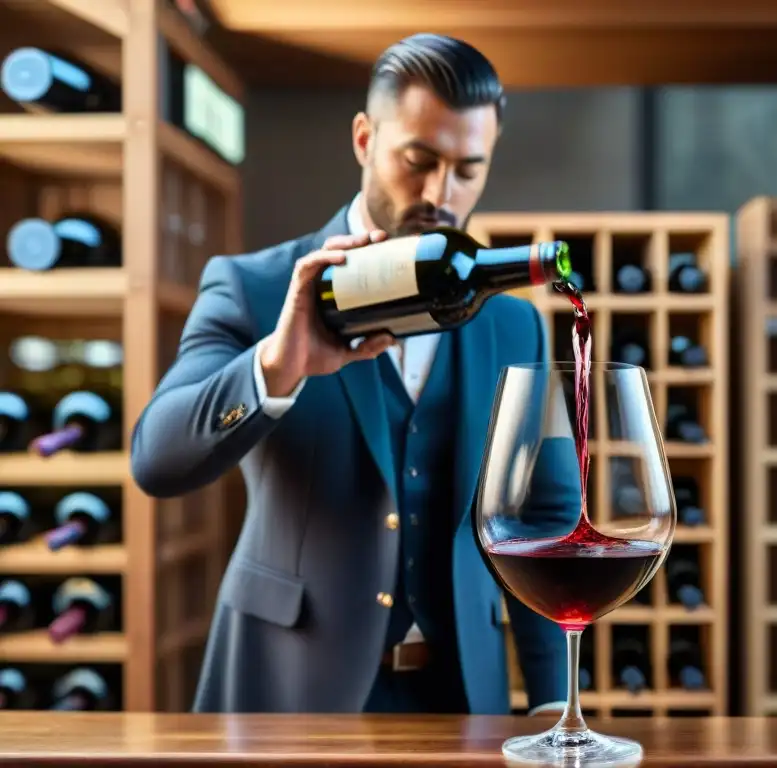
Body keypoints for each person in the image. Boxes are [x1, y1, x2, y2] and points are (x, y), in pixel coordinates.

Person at [129, 34, 580, 716]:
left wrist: (553, 701)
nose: (441, 193)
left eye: (467, 169)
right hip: (283, 690)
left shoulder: (515, 326)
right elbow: (155, 459)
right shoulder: (254, 288)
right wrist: (277, 367)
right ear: (365, 139)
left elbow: (545, 514)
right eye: (418, 161)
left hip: (462, 698)